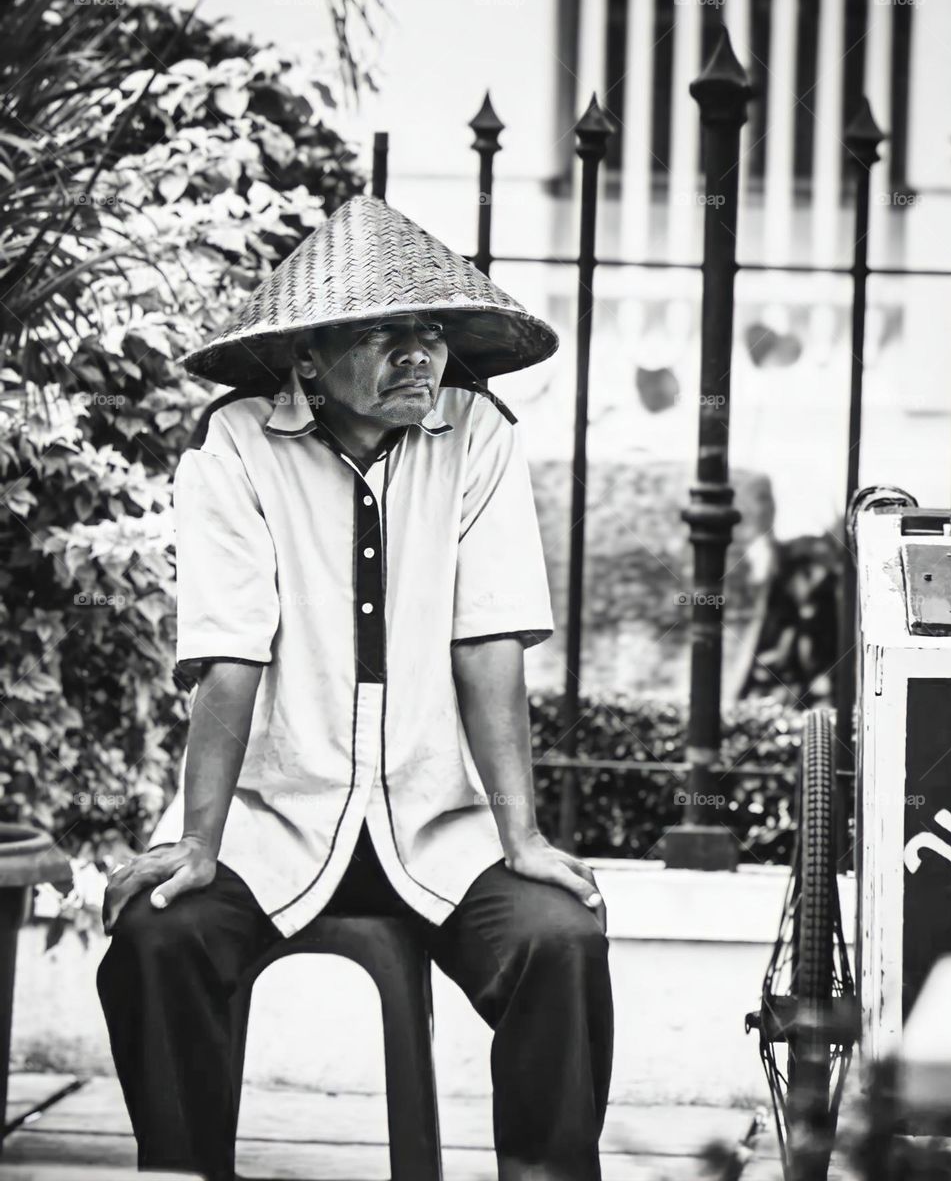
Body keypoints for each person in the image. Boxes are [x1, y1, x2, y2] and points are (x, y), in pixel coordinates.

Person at [97, 194, 614, 1181]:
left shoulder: (478, 432)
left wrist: (522, 836)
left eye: (431, 333)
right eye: (385, 335)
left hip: (438, 824)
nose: (421, 356)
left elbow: (488, 642)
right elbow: (229, 653)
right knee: (159, 940)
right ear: (307, 357)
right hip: (271, 825)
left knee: (561, 938)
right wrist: (198, 841)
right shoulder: (235, 444)